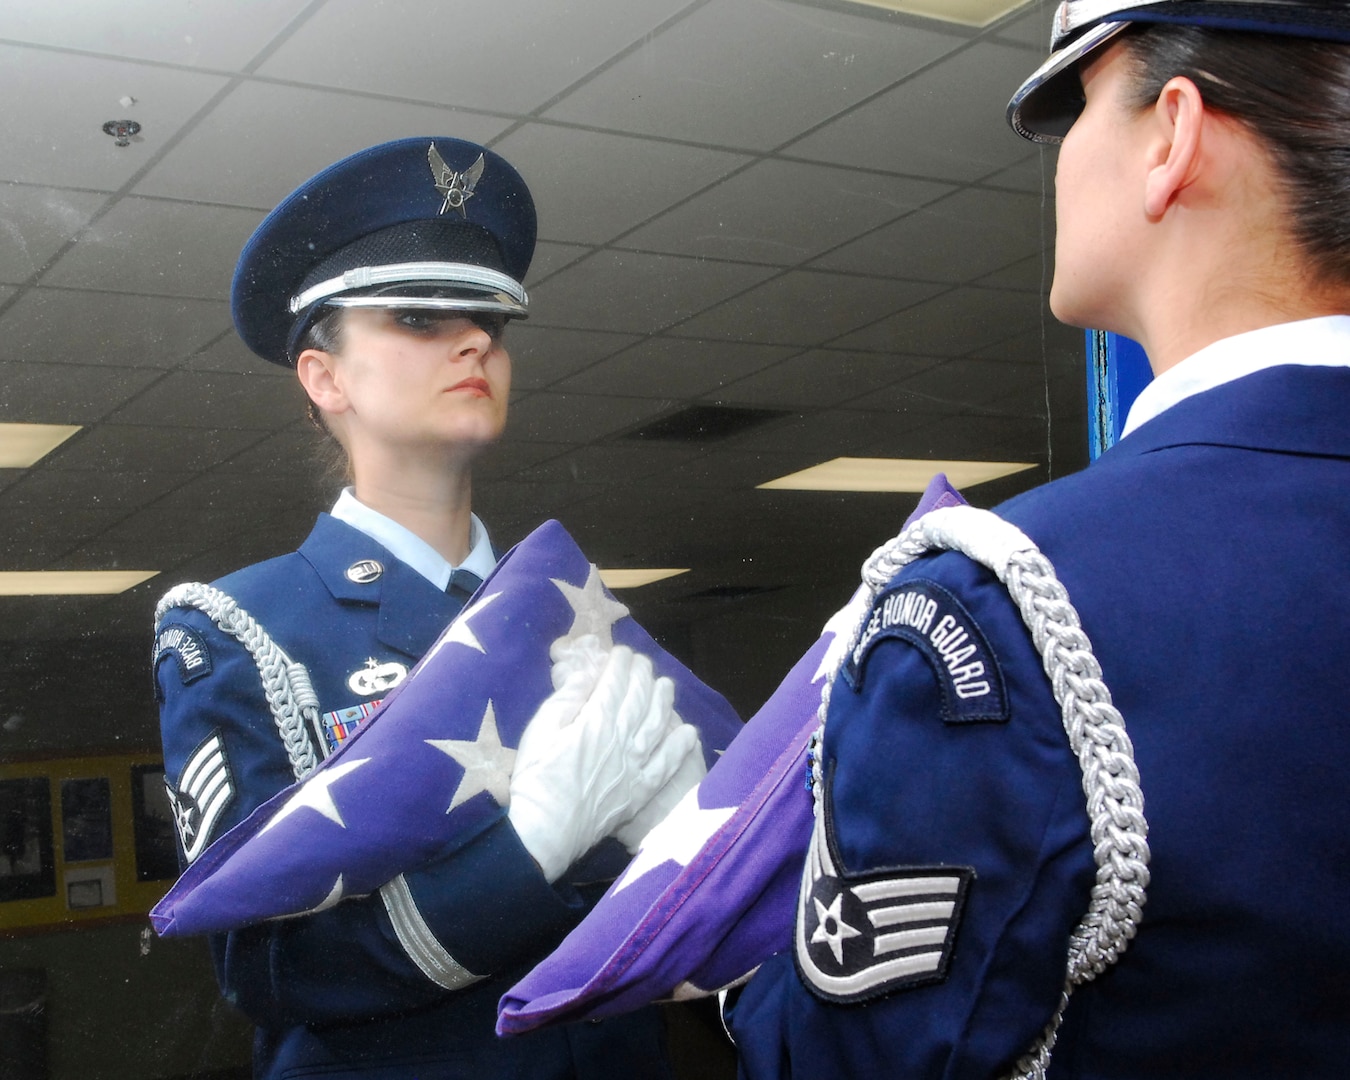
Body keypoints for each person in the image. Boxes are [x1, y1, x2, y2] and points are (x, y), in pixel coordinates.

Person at [724, 3, 1350, 1077]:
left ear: (1172, 138)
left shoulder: (1004, 601)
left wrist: (739, 954)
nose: (1061, 166)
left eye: (1080, 108)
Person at [154, 137, 697, 1079]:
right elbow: (267, 966)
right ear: (325, 380)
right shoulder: (240, 627)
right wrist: (530, 848)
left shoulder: (576, 612)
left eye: (489, 318)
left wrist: (683, 850)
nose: (476, 339)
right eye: (416, 316)